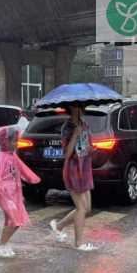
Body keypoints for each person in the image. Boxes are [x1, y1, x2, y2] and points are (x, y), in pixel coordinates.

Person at [49, 105, 97, 251]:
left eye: (81, 106)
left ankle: (58, 226)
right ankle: (79, 243)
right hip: (74, 170)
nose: (80, 109)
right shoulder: (67, 127)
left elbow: (88, 146)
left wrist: (91, 149)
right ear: (71, 108)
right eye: (76, 106)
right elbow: (67, 154)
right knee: (81, 208)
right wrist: (75, 134)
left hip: (85, 169)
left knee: (87, 208)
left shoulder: (85, 125)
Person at [0, 126, 40, 258]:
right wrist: (0, 190)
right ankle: (1, 245)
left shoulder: (12, 156)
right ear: (5, 142)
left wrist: (32, 178)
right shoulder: (1, 158)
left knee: (15, 220)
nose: (16, 144)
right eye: (14, 141)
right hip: (5, 194)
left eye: (16, 141)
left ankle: (2, 243)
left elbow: (22, 168)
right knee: (14, 220)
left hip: (15, 193)